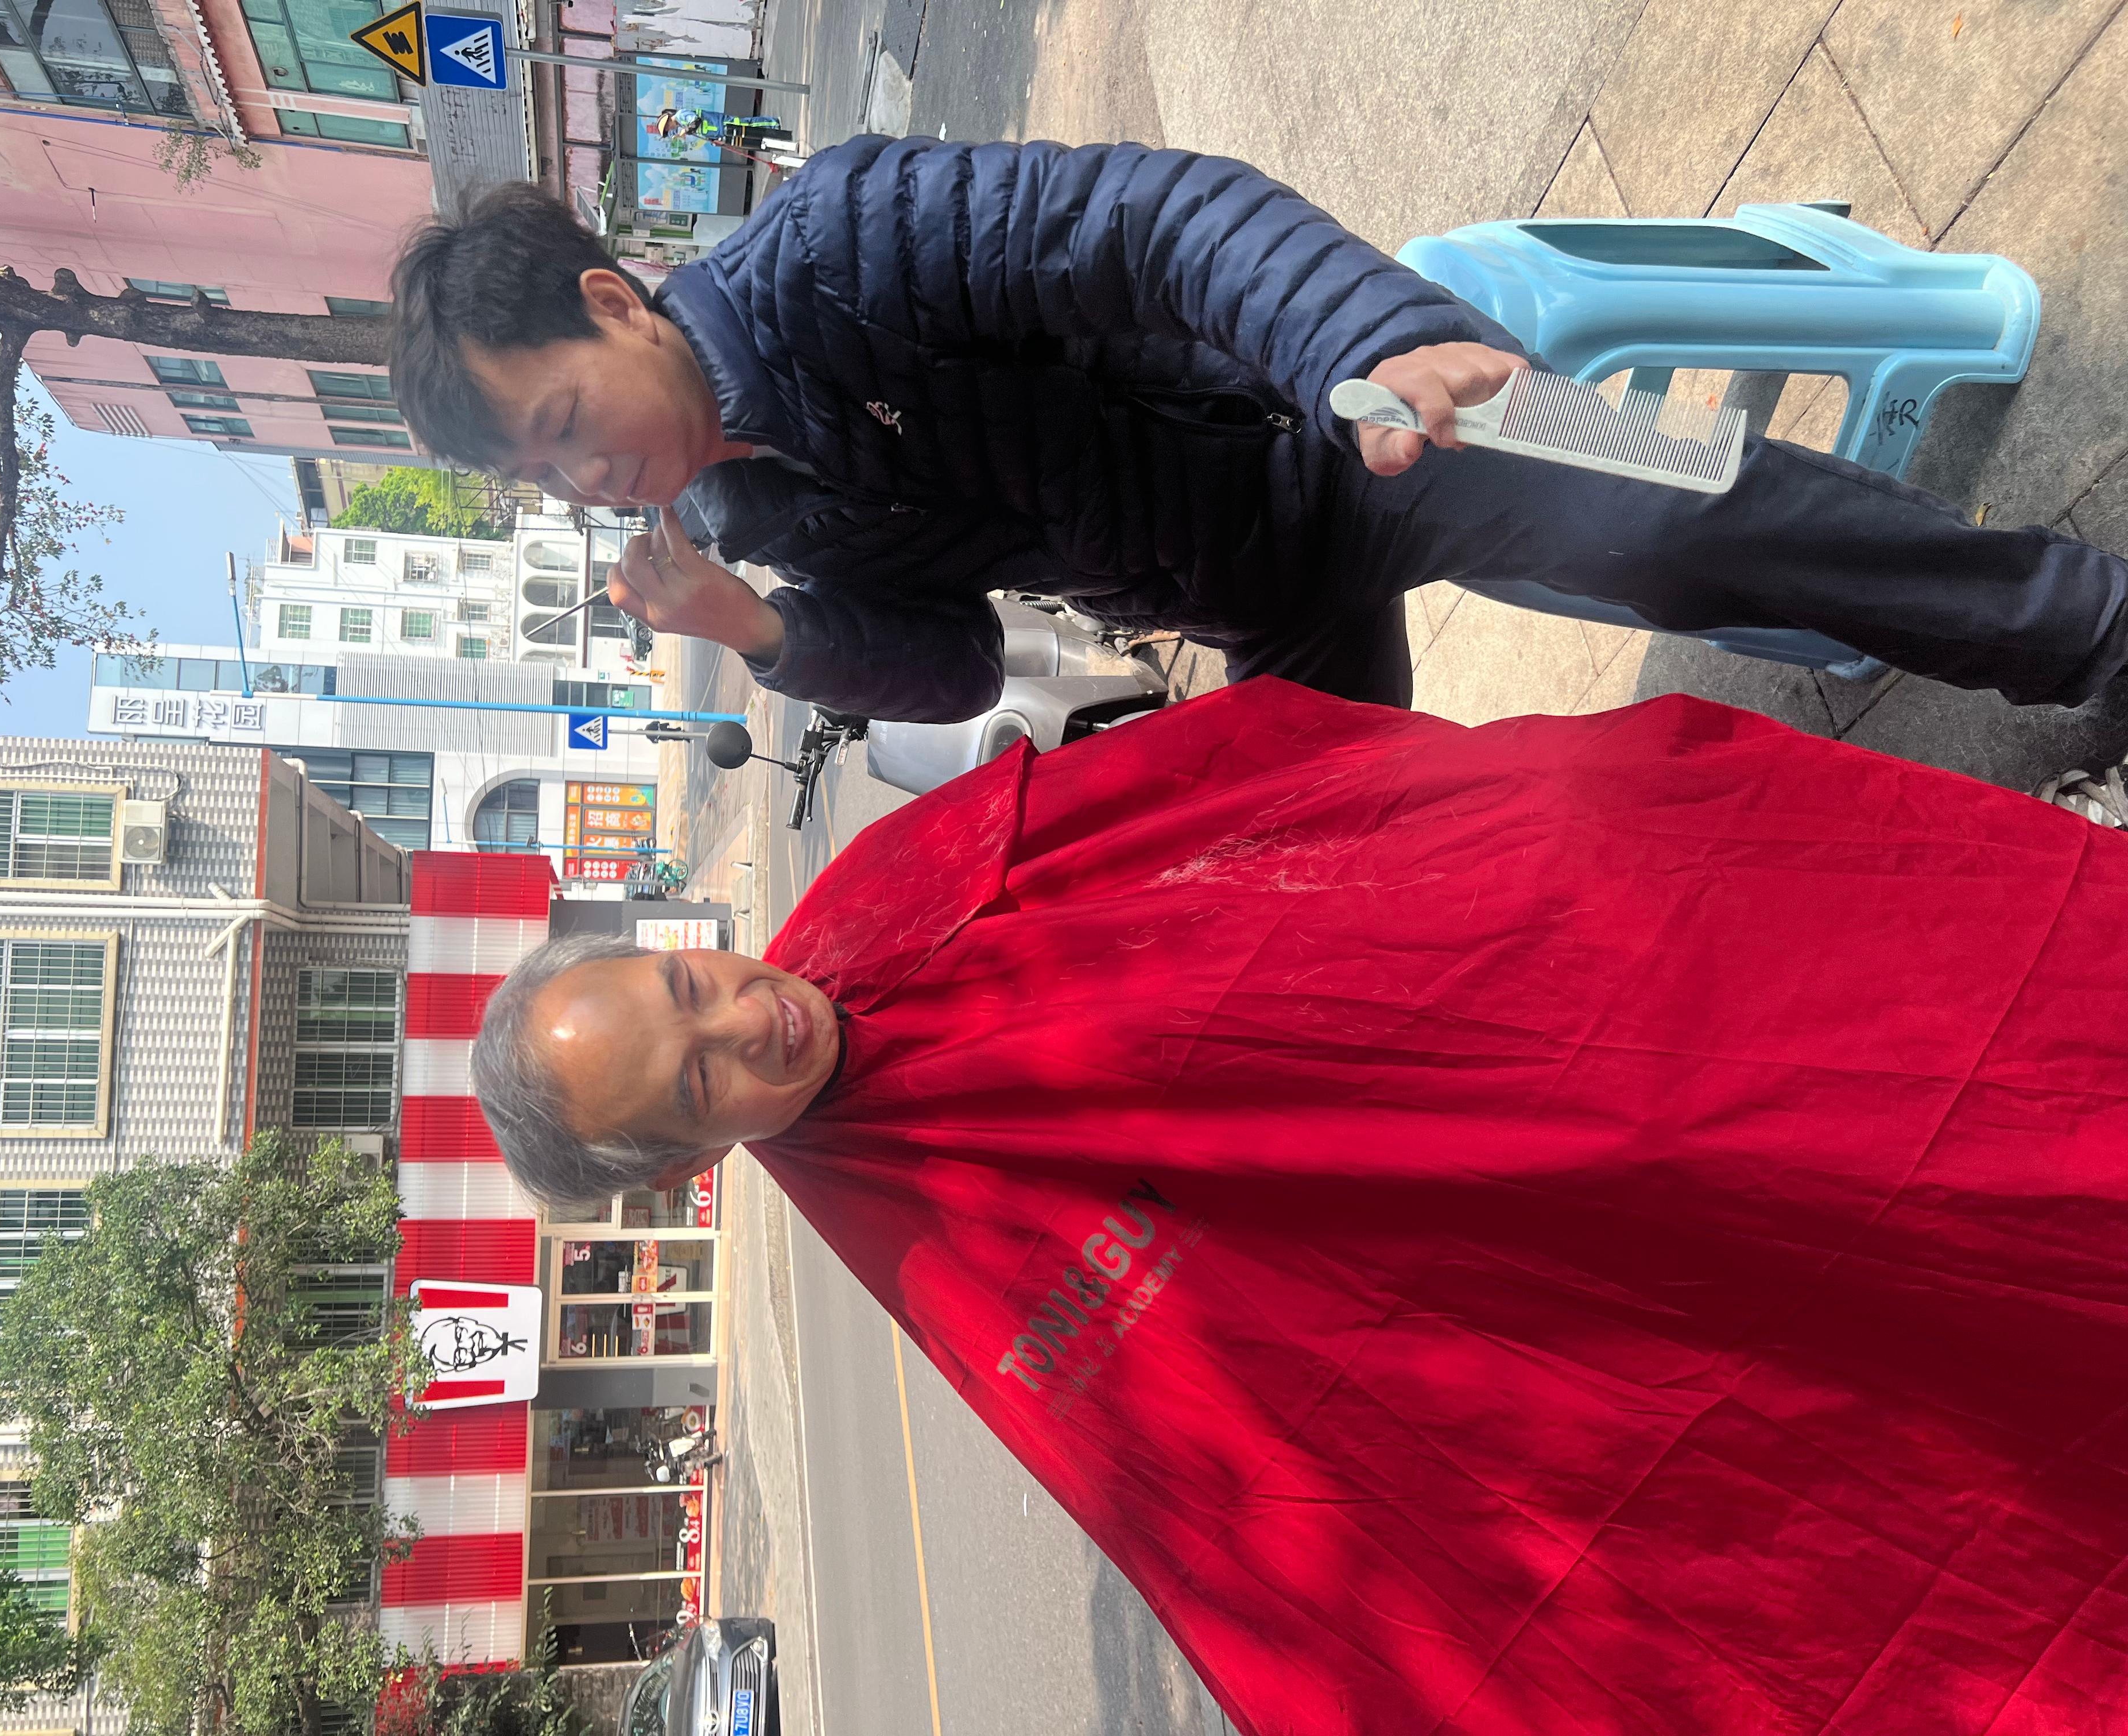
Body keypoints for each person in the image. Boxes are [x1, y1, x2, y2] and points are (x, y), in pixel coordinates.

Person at [472, 678, 2128, 1735]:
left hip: (1538, 976)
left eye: (690, 984)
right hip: (1521, 1220)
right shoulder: (923, 1243)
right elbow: (1253, 1455)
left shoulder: (884, 890)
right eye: (700, 1081)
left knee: (1899, 1039)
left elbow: (1224, 781)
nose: (747, 1022)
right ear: (689, 1171)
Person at [387, 137, 2128, 724]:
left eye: (564, 422)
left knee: (1672, 507)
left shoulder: (841, 247)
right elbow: (959, 668)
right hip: (1253, 600)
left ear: (614, 302)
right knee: (1326, 895)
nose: (588, 476)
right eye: (544, 476)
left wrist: (1374, 338)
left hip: (1340, 421)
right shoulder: (756, 525)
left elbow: (1154, 224)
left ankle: (2091, 628)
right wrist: (762, 633)